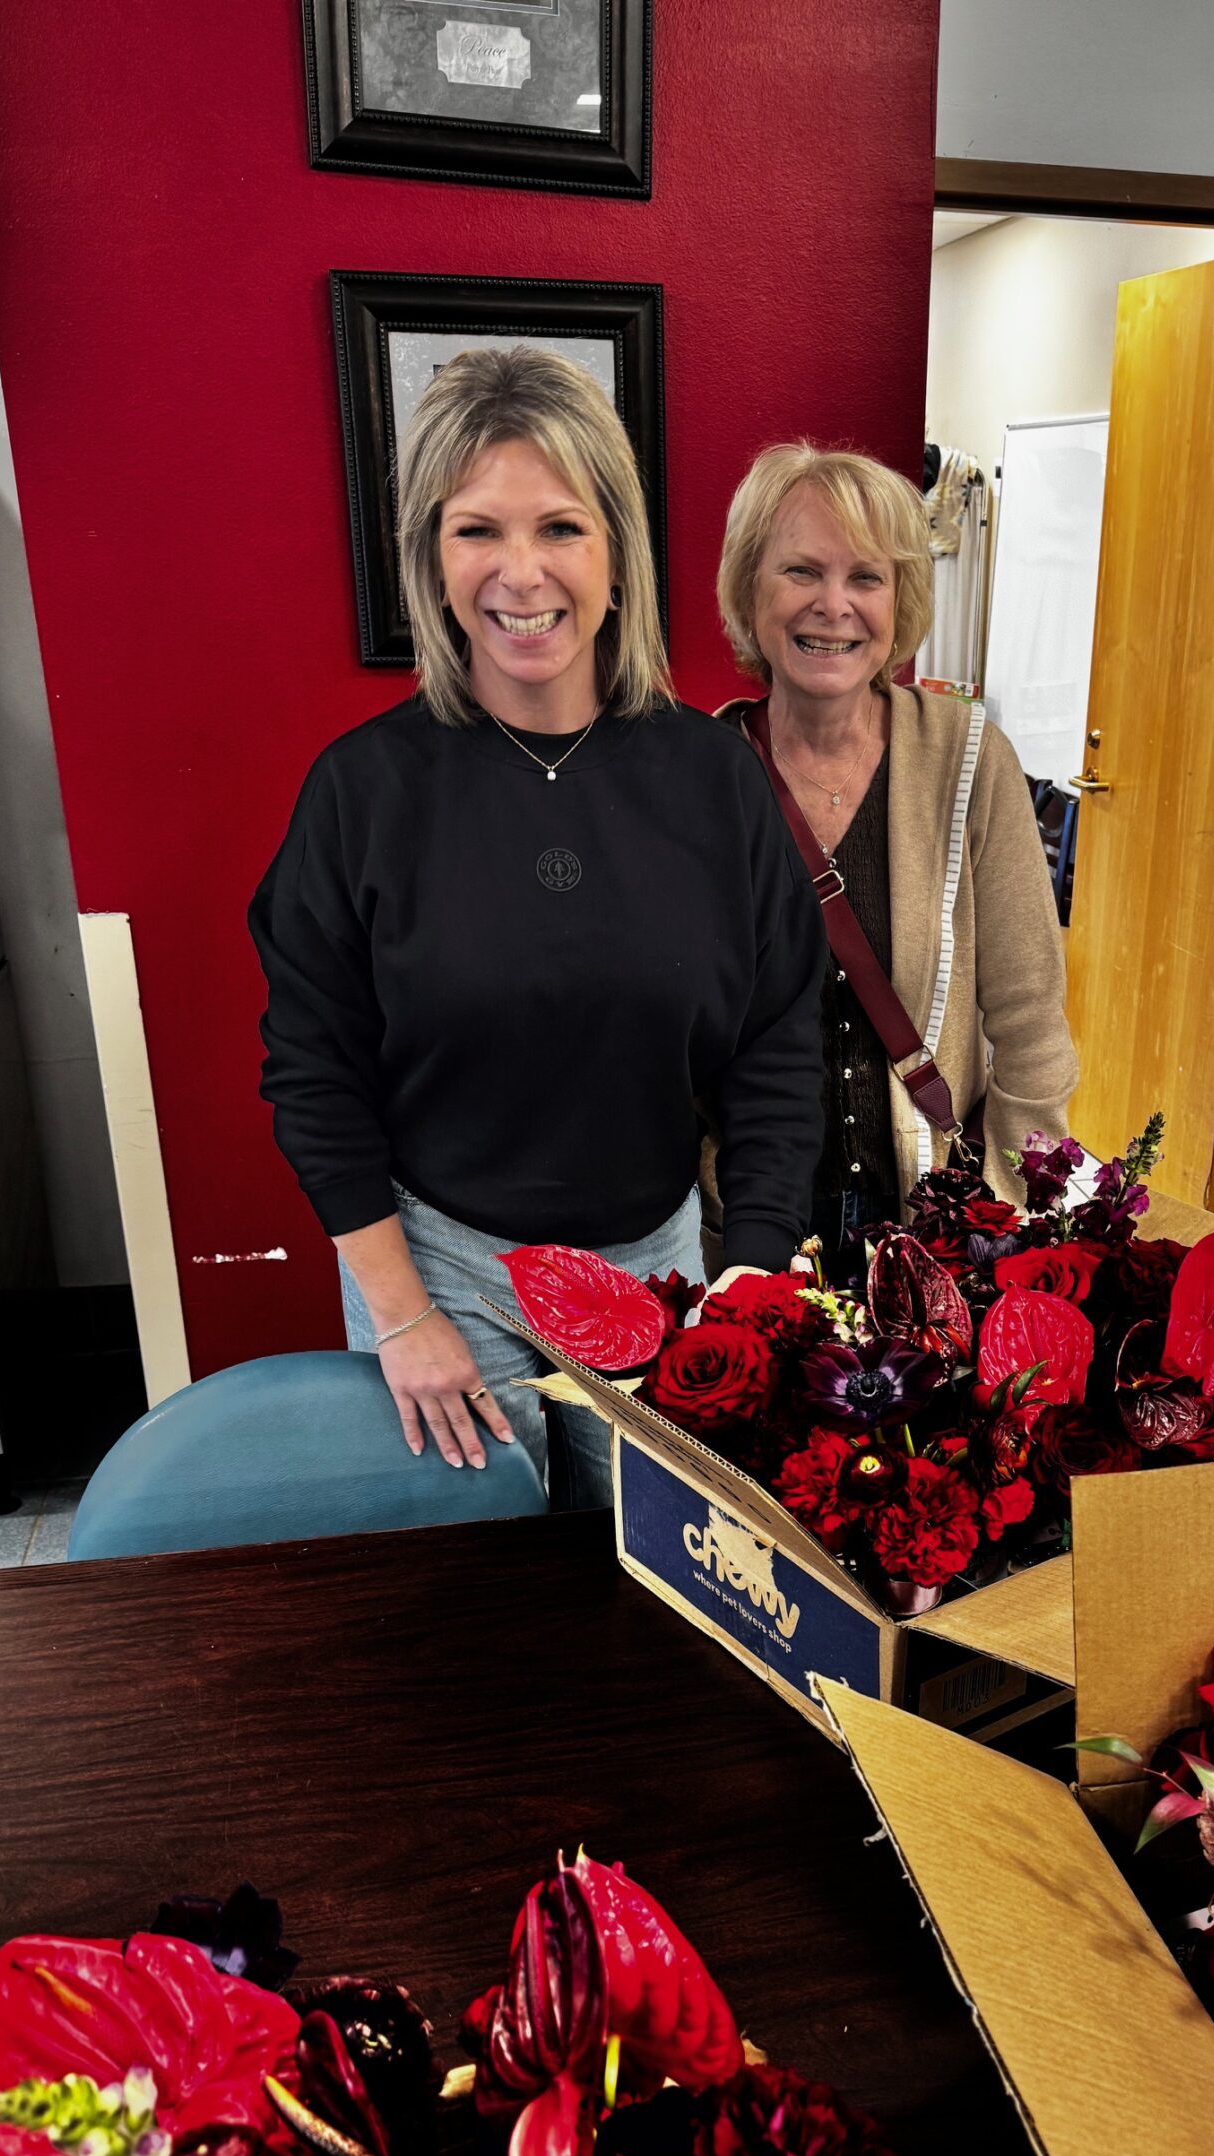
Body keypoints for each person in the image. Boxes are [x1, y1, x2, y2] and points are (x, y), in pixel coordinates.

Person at [250, 348, 824, 1505]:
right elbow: (315, 1073)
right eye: (476, 532)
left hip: (663, 1274)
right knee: (479, 1613)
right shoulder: (363, 793)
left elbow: (778, 1043)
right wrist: (403, 1315)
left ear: (617, 553)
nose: (521, 574)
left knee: (663, 1600)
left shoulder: (716, 779)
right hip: (441, 1273)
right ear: (431, 558)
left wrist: (751, 1273)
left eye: (560, 527)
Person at [715, 444, 1076, 1264]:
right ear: (749, 589)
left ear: (902, 597)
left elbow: (1030, 1017)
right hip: (749, 1226)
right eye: (800, 571)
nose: (833, 605)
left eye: (866, 578)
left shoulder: (967, 757)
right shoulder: (700, 772)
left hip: (938, 1221)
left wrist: (1014, 1206)